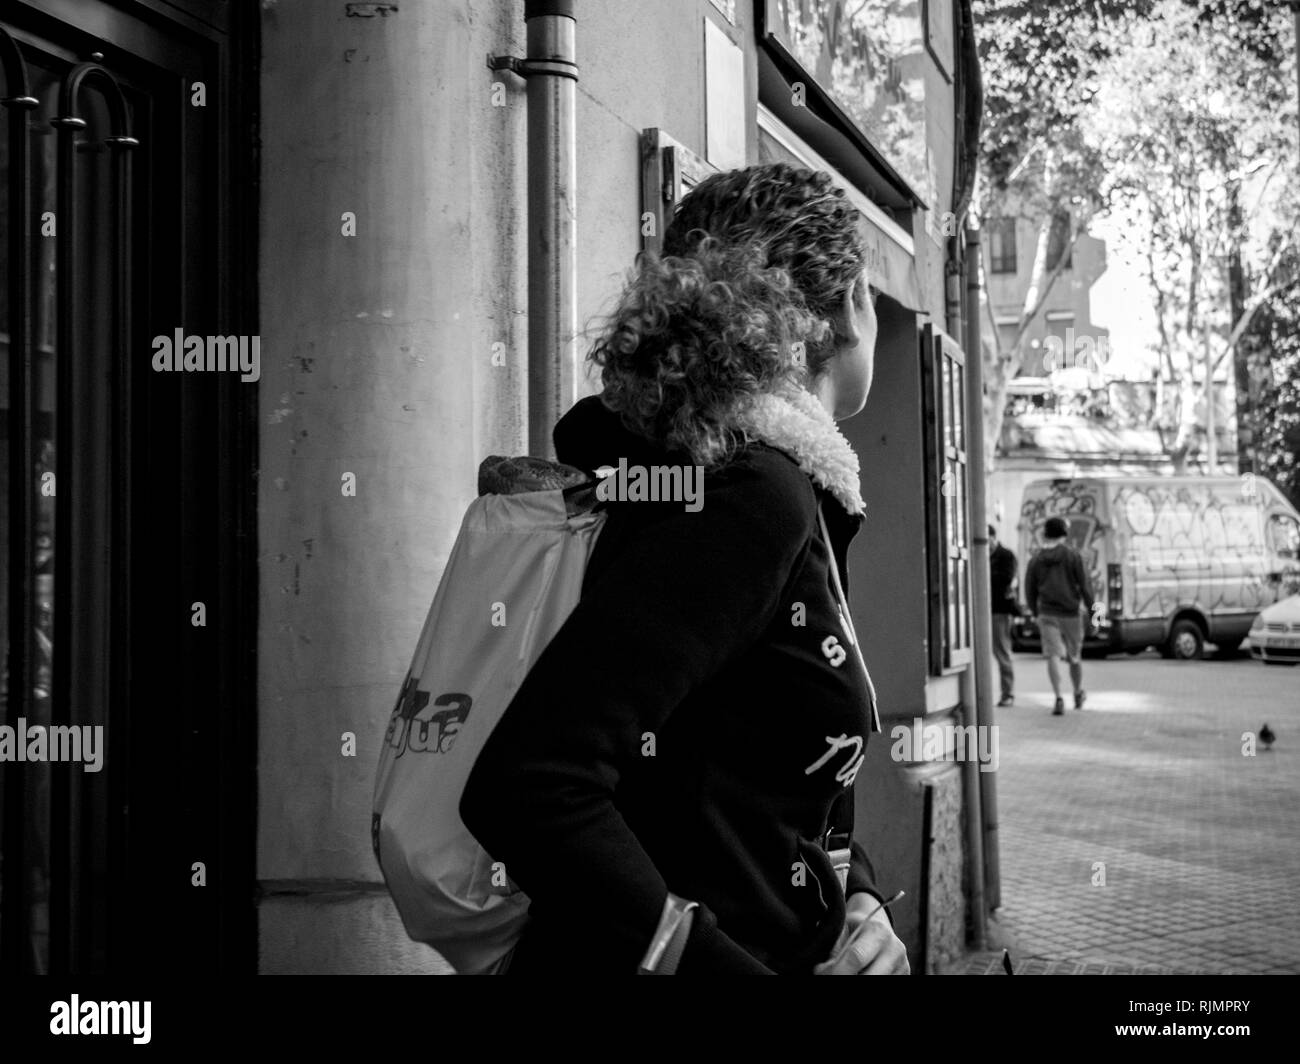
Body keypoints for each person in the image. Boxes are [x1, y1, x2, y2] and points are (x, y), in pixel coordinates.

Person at [460, 163, 909, 975]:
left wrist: (861, 897)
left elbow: (757, 768)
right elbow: (530, 785)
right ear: (847, 305)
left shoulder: (731, 475)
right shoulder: (752, 493)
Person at [1024, 516, 1095, 716]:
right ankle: (1078, 692)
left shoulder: (1036, 559)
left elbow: (1030, 590)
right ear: (1065, 534)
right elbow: (1087, 588)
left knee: (1052, 655)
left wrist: (1035, 611)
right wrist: (1096, 616)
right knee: (1074, 657)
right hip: (1071, 614)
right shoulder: (1074, 556)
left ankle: (1058, 697)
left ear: (1045, 534)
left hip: (1047, 613)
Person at [988, 524, 1019, 707]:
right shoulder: (986, 555)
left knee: (1002, 653)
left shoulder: (1005, 555)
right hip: (987, 610)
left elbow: (1006, 578)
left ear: (992, 537)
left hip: (1000, 610)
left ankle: (1008, 693)